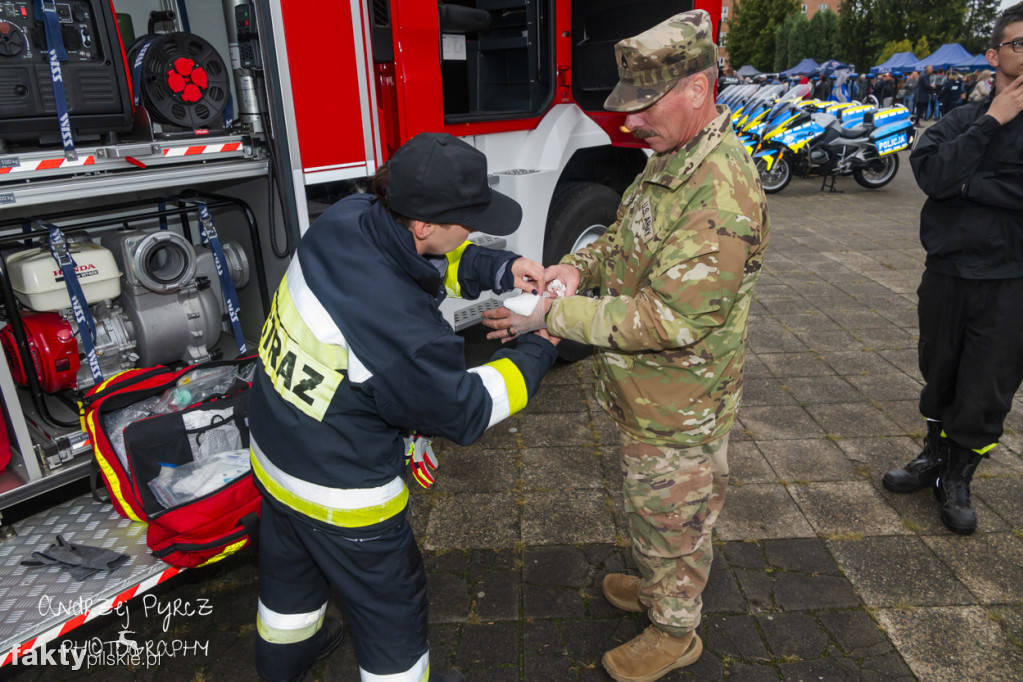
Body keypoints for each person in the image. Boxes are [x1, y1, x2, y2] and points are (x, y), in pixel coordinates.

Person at [483, 10, 769, 682]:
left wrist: (555, 314)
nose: (629, 122)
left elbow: (671, 320)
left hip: (683, 405)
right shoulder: (672, 161)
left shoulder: (720, 191)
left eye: (643, 104)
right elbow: (623, 237)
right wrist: (578, 267)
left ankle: (676, 630)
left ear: (696, 90)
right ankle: (658, 585)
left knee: (676, 515)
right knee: (652, 507)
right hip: (652, 397)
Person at [248, 132, 560, 682]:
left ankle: (287, 658)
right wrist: (540, 345)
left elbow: (426, 258)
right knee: (391, 612)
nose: (474, 226)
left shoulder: (348, 216)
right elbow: (465, 410)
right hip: (341, 495)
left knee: (289, 581)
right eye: (469, 217)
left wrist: (499, 269)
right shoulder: (403, 332)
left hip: (275, 451)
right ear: (423, 222)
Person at [884, 2, 1023, 536]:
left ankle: (960, 475)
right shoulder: (963, 120)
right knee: (938, 371)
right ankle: (933, 458)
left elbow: (953, 183)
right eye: (1019, 43)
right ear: (994, 55)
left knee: (988, 386)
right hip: (946, 275)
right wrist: (991, 124)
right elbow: (933, 174)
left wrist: (970, 186)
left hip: (1011, 280)